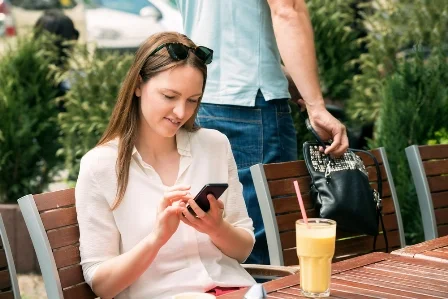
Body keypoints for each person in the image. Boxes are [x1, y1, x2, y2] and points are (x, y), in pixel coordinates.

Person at [75, 32, 256, 299]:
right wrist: (157, 238)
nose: (181, 112)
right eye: (169, 96)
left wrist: (216, 228)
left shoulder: (215, 145)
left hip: (236, 291)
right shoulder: (100, 166)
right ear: (138, 85)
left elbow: (243, 250)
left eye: (192, 100)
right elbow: (102, 284)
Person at [176, 0, 349, 265]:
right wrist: (316, 105)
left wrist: (286, 80)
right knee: (264, 246)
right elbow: (287, 10)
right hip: (251, 106)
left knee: (212, 238)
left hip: (201, 99)